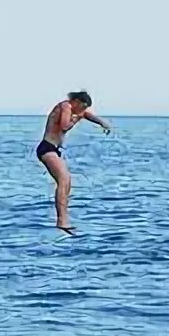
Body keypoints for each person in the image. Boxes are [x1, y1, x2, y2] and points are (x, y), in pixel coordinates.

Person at [36, 91, 111, 234]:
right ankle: (61, 221)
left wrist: (102, 123)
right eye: (82, 107)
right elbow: (64, 126)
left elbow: (87, 115)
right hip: (47, 148)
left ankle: (64, 218)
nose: (82, 111)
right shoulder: (65, 107)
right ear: (76, 101)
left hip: (54, 149)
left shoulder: (75, 110)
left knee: (67, 182)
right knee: (63, 180)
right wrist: (76, 119)